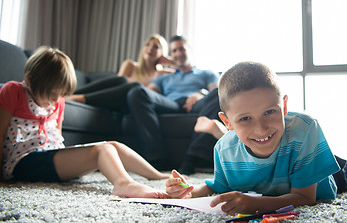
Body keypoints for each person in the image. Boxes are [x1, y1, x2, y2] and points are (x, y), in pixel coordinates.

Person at [165, 62, 347, 215]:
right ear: (227, 122)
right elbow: (218, 187)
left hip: (324, 176)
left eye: (269, 112)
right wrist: (189, 190)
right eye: (245, 118)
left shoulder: (306, 128)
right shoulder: (223, 149)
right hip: (283, 176)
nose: (261, 129)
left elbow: (305, 197)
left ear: (284, 107)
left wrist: (256, 204)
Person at [0, 46, 169, 199]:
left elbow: (57, 137)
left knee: (113, 145)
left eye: (60, 94)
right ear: (29, 80)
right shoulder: (14, 91)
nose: (55, 99)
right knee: (102, 150)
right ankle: (124, 184)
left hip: (51, 157)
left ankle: (156, 175)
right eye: (51, 93)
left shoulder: (58, 101)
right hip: (23, 162)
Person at [126, 35, 221, 173]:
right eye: (174, 51)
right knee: (137, 92)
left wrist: (201, 94)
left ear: (189, 49)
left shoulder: (206, 73)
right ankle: (157, 158)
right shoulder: (164, 76)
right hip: (172, 104)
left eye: (181, 49)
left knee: (219, 93)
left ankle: (193, 157)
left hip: (198, 103)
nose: (178, 53)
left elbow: (218, 92)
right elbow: (146, 92)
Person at [67, 33, 174, 112]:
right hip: (113, 100)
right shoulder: (131, 65)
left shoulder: (163, 74)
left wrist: (171, 62)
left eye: (156, 47)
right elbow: (115, 88)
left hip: (133, 107)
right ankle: (71, 94)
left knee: (136, 87)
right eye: (148, 44)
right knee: (122, 80)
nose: (150, 48)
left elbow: (185, 70)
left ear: (163, 53)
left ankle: (77, 99)